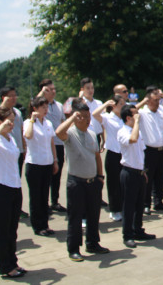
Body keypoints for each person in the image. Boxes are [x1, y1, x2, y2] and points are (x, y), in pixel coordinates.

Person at [55, 99, 109, 262]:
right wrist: (71, 119)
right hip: (76, 182)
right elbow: (58, 132)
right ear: (75, 117)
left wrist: (100, 176)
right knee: (76, 216)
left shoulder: (91, 133)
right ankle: (73, 248)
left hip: (92, 181)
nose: (87, 120)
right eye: (83, 117)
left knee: (94, 214)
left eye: (88, 116)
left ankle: (92, 243)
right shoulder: (70, 133)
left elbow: (97, 156)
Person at [0, 107, 25, 279]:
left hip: (15, 187)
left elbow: (7, 161)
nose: (13, 124)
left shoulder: (10, 139)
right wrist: (0, 128)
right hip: (2, 189)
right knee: (1, 231)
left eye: (13, 120)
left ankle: (13, 262)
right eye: (10, 120)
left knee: (12, 230)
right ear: (0, 122)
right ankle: (5, 267)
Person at [117, 105, 156, 248]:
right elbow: (132, 139)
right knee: (129, 206)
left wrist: (143, 171)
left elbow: (141, 153)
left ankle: (138, 230)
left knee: (139, 205)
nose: (138, 116)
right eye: (135, 115)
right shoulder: (123, 132)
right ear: (128, 118)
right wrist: (137, 122)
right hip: (128, 172)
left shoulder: (138, 132)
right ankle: (127, 235)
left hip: (139, 172)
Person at [23, 97, 59, 236]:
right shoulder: (28, 123)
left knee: (44, 196)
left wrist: (55, 161)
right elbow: (28, 135)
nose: (46, 110)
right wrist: (32, 120)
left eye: (46, 107)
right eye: (42, 107)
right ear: (35, 108)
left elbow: (51, 142)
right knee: (36, 196)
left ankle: (45, 223)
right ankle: (37, 226)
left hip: (47, 163)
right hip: (34, 164)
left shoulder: (48, 123)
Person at [92, 95, 126, 221]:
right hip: (112, 153)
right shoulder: (107, 117)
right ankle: (114, 209)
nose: (123, 106)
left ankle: (122, 207)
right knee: (113, 184)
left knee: (123, 183)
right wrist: (105, 104)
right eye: (121, 104)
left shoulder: (123, 118)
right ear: (114, 105)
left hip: (124, 153)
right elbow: (94, 114)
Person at [138, 87, 163, 213]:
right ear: (148, 101)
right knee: (148, 178)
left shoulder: (161, 112)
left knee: (160, 177)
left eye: (159, 100)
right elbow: (131, 111)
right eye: (155, 100)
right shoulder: (142, 113)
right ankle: (146, 204)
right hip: (149, 150)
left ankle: (158, 201)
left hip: (161, 149)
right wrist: (143, 101)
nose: (158, 102)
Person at [37, 79, 68, 213]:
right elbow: (31, 104)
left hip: (58, 143)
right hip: (44, 144)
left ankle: (54, 201)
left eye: (54, 89)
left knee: (57, 173)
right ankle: (43, 203)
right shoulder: (39, 105)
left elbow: (62, 122)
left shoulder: (59, 105)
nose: (53, 92)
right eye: (49, 90)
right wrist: (41, 94)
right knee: (44, 175)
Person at [0, 87, 26, 176]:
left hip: (18, 149)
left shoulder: (18, 112)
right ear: (4, 98)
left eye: (15, 95)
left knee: (17, 176)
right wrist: (4, 104)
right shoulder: (0, 112)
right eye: (11, 96)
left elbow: (22, 131)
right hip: (6, 149)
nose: (14, 98)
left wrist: (24, 148)